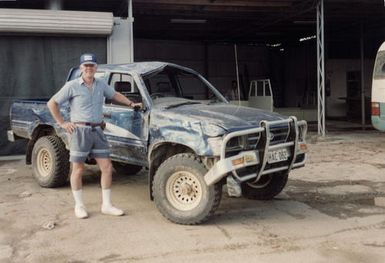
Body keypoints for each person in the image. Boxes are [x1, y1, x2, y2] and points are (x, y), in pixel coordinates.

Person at [47, 53, 142, 219]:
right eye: (86, 66)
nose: (89, 68)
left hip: (98, 130)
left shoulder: (101, 84)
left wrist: (131, 103)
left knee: (106, 167)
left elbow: (115, 95)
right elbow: (52, 103)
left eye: (92, 65)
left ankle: (106, 205)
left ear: (96, 67)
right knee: (78, 169)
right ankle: (79, 206)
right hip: (80, 131)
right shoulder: (72, 85)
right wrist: (62, 123)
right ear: (81, 68)